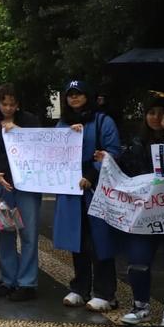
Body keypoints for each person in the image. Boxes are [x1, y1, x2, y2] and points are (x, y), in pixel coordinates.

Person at [115, 95, 164, 327]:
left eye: (162, 112)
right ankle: (140, 307)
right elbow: (123, 170)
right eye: (151, 112)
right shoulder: (136, 142)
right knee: (138, 260)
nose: (156, 118)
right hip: (144, 212)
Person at [53, 79, 121, 311]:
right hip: (72, 188)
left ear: (88, 95)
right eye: (70, 94)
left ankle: (105, 292)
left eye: (79, 93)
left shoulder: (103, 121)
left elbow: (112, 152)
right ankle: (80, 288)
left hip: (96, 188)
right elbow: (52, 152)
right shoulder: (63, 124)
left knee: (100, 240)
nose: (74, 98)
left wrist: (92, 174)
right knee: (77, 239)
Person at [0, 84, 43, 301]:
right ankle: (9, 280)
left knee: (28, 233)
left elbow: (40, 147)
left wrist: (17, 131)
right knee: (5, 233)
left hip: (27, 184)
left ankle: (27, 283)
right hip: (2, 184)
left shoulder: (30, 121)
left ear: (18, 104)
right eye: (4, 104)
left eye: (12, 104)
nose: (8, 108)